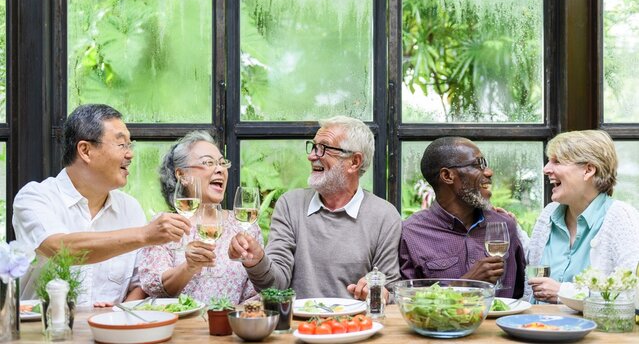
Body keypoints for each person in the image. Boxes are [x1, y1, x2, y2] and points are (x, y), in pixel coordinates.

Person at [12, 104, 191, 307]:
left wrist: (118, 311)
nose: (130, 154)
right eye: (121, 144)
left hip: (108, 333)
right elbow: (60, 249)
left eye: (130, 145)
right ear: (85, 150)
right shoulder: (35, 197)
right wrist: (144, 235)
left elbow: (138, 284)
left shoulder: (130, 208)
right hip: (43, 333)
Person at [228, 116, 402, 300]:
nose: (311, 156)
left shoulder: (384, 216)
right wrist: (256, 262)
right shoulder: (290, 205)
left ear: (354, 162)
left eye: (323, 148)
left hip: (355, 326)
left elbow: (389, 293)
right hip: (297, 326)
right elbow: (275, 287)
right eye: (313, 147)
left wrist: (377, 293)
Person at [138, 131, 262, 304]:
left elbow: (257, 292)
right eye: (208, 162)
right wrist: (189, 267)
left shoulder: (243, 225)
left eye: (222, 163)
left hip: (229, 327)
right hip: (178, 327)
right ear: (182, 175)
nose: (220, 169)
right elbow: (155, 288)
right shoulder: (164, 225)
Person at [399, 137, 526, 299]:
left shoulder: (505, 225)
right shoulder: (412, 234)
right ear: (447, 175)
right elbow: (410, 303)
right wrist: (465, 284)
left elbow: (517, 293)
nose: (488, 172)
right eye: (478, 165)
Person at [526, 130, 639, 303]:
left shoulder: (621, 218)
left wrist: (564, 293)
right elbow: (530, 289)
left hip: (592, 331)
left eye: (557, 161)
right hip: (536, 327)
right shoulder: (548, 214)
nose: (546, 169)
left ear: (588, 170)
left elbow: (632, 295)